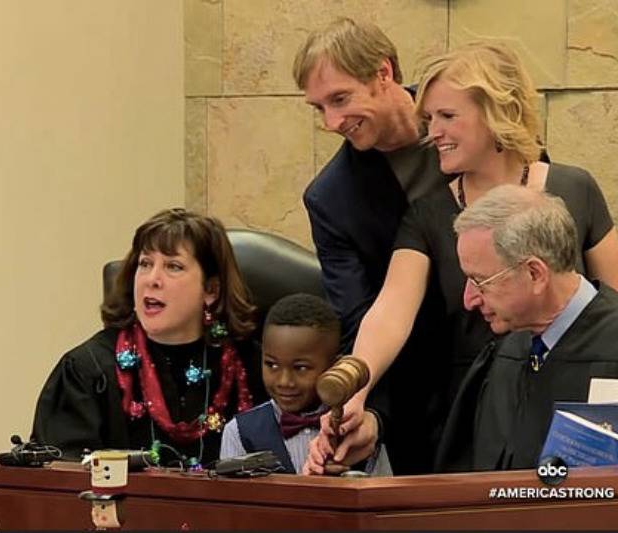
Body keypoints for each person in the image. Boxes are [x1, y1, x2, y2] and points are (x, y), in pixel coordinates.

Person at [305, 41, 618, 475]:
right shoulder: (427, 215)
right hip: (468, 421)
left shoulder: (575, 188)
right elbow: (390, 311)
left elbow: (613, 304)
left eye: (447, 117)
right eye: (430, 118)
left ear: (497, 112)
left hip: (572, 412)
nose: (433, 132)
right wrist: (356, 388)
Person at [293, 17, 449, 475]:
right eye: (318, 108)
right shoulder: (331, 199)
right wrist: (370, 414)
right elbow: (360, 320)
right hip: (426, 392)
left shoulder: (471, 112)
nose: (332, 122)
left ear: (384, 73)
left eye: (340, 99)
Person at [31, 208, 265, 467]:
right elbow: (58, 484)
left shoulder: (249, 367)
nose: (152, 280)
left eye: (173, 266)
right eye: (145, 264)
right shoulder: (88, 371)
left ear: (210, 290)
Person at [436, 185, 618, 471]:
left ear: (535, 274)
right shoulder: (505, 355)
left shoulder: (611, 350)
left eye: (480, 281)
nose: (468, 300)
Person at [219, 293, 340, 474]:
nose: (284, 381)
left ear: (334, 366)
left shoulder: (355, 430)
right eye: (272, 365)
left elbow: (381, 496)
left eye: (300, 368)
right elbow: (230, 500)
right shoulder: (239, 432)